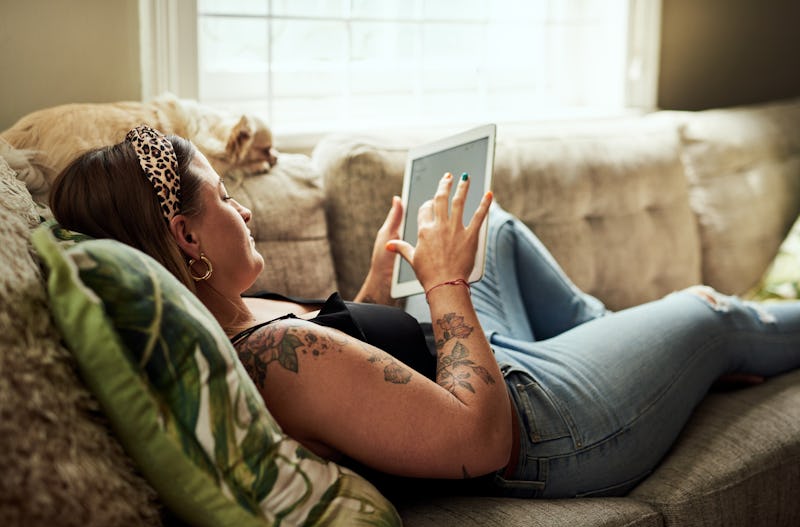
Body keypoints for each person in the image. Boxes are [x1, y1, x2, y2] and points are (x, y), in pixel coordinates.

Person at [50, 125, 800, 499]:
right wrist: (442, 285)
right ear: (186, 237)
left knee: (493, 228)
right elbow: (480, 436)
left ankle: (619, 345)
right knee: (708, 312)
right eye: (223, 199)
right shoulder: (278, 367)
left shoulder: (238, 317)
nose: (243, 209)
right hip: (536, 423)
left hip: (483, 361)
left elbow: (359, 364)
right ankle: (692, 349)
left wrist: (378, 286)